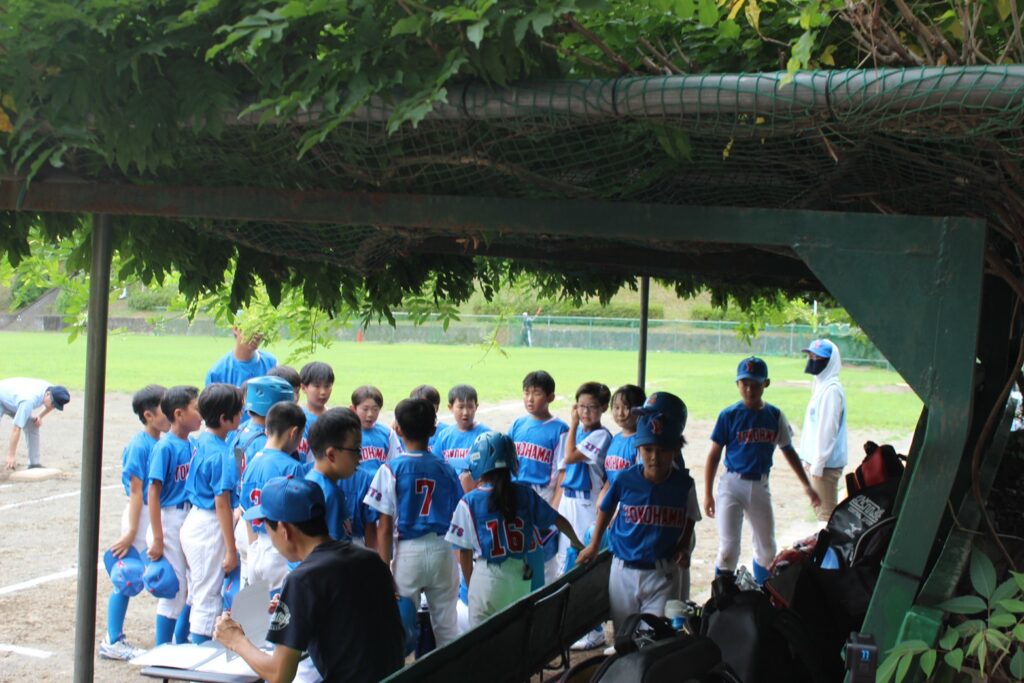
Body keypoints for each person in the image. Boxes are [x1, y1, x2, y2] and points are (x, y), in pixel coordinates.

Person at [215, 477, 405, 683]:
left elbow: (279, 675)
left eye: (267, 529)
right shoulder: (370, 559)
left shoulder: (302, 580)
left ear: (284, 530)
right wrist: (300, 610)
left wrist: (236, 640)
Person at [576, 391, 698, 634]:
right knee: (625, 635)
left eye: (661, 450)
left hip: (662, 569)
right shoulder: (628, 477)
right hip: (625, 568)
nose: (654, 457)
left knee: (656, 637)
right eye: (647, 449)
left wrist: (684, 546)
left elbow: (691, 515)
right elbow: (607, 506)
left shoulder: (682, 482)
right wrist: (595, 543)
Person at [703, 357, 821, 585]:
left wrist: (807, 486)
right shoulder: (729, 415)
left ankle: (764, 594)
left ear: (766, 383)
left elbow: (788, 451)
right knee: (728, 548)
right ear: (737, 384)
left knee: (767, 550)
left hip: (759, 485)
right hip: (732, 484)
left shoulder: (774, 415)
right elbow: (714, 455)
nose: (749, 389)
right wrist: (708, 493)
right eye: (744, 383)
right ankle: (722, 595)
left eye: (755, 384)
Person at [447, 432, 582, 627]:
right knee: (514, 634)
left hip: (488, 578)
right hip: (520, 579)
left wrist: (471, 585)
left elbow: (464, 553)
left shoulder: (469, 501)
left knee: (483, 640)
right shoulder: (525, 493)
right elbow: (559, 520)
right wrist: (578, 543)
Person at [364, 398, 463, 648]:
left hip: (408, 554)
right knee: (447, 629)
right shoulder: (447, 469)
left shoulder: (390, 469)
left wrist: (384, 569)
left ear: (398, 429)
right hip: (443, 550)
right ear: (433, 429)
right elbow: (458, 516)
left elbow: (384, 528)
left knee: (399, 629)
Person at [100, 384, 169, 661]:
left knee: (163, 575)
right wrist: (130, 532)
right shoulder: (139, 445)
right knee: (127, 577)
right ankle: (112, 640)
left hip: (154, 514)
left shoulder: (161, 442)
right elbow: (137, 492)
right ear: (148, 415)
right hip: (139, 517)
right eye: (164, 409)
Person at [180, 384, 244, 644]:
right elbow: (222, 504)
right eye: (238, 412)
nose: (241, 415)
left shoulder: (203, 440)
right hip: (209, 526)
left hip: (194, 520)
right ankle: (197, 655)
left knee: (197, 593)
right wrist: (230, 549)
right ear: (224, 418)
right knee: (207, 599)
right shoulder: (221, 453)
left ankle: (180, 646)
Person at [146, 385, 202, 645]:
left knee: (192, 584)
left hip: (188, 517)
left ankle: (180, 640)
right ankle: (162, 650)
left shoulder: (193, 444)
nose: (201, 414)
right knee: (174, 589)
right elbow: (153, 492)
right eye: (196, 408)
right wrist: (158, 538)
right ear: (179, 414)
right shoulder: (165, 447)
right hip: (169, 519)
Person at [239, 402, 308, 591]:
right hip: (281, 550)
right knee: (281, 605)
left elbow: (246, 512)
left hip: (257, 545)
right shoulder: (292, 467)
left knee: (258, 605)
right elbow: (297, 519)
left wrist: (253, 549)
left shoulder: (253, 463)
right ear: (294, 433)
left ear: (267, 429)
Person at [509, 370, 568, 585]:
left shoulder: (560, 429)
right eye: (526, 393)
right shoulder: (518, 424)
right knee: (518, 545)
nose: (530, 399)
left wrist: (554, 504)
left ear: (550, 397)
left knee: (544, 551)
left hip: (542, 493)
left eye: (536, 393)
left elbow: (563, 470)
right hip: (516, 492)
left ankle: (546, 591)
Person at [800, 339, 848, 521]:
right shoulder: (821, 386)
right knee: (820, 512)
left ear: (830, 361)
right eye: (811, 356)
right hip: (818, 464)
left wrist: (817, 465)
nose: (813, 360)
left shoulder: (831, 391)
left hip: (825, 466)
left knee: (826, 517)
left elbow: (827, 431)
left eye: (818, 357)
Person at [305, 407, 363, 541]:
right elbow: (335, 548)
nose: (360, 457)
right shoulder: (330, 493)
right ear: (331, 455)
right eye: (356, 449)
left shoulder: (312, 481)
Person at [0, 378, 70, 470]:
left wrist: (40, 416)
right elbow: (16, 428)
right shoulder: (28, 401)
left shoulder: (52, 391)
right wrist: (11, 456)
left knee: (32, 424)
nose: (53, 406)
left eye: (55, 406)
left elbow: (50, 406)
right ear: (48, 394)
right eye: (53, 403)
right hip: (3, 396)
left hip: (14, 400)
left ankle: (34, 464)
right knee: (19, 424)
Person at [432, 384, 491, 492]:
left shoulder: (486, 436)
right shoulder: (444, 436)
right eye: (460, 407)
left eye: (470, 407)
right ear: (450, 408)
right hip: (450, 493)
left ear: (476, 407)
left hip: (475, 494)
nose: (465, 412)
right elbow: (436, 466)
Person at [599, 384, 646, 503]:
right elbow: (611, 476)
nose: (620, 413)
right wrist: (603, 495)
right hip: (612, 502)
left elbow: (641, 481)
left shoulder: (641, 443)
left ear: (640, 409)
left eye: (627, 407)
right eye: (616, 407)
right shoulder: (615, 439)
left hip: (630, 503)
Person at [350, 385, 400, 476]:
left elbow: (396, 462)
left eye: (375, 409)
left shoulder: (387, 434)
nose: (370, 414)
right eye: (365, 409)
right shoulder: (346, 433)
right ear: (353, 409)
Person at [205, 326, 277, 387]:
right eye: (250, 328)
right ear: (235, 329)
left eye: (260, 329)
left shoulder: (272, 364)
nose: (257, 335)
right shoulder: (217, 373)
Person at [297, 361, 335, 464]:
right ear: (303, 388)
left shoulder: (335, 419)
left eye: (327, 386)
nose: (323, 392)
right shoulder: (298, 418)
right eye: (317, 386)